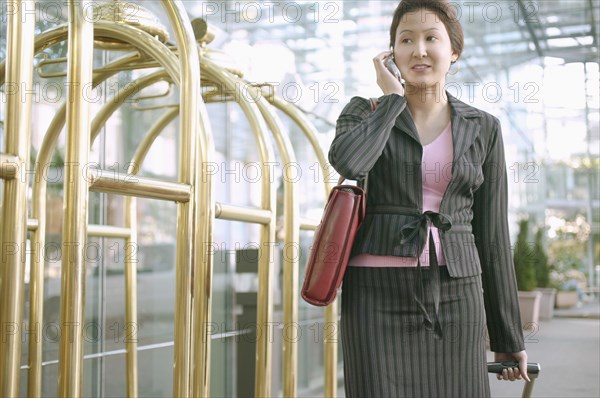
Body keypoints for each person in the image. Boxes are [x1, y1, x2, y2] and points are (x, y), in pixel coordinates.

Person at [328, 0, 529, 396]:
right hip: (374, 293)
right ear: (391, 55)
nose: (418, 50)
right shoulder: (363, 112)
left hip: (457, 293)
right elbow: (350, 163)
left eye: (430, 38)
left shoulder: (483, 128)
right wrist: (391, 104)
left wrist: (509, 336)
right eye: (406, 40)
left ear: (453, 52)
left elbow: (491, 235)